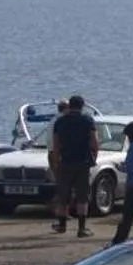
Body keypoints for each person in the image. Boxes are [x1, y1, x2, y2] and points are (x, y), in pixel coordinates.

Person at [47, 96, 99, 238]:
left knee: (63, 195)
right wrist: (95, 156)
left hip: (65, 161)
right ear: (82, 106)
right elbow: (94, 141)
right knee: (82, 196)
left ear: (70, 106)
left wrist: (57, 160)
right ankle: (82, 228)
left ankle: (62, 225)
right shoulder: (87, 120)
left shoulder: (60, 121)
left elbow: (56, 143)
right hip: (83, 162)